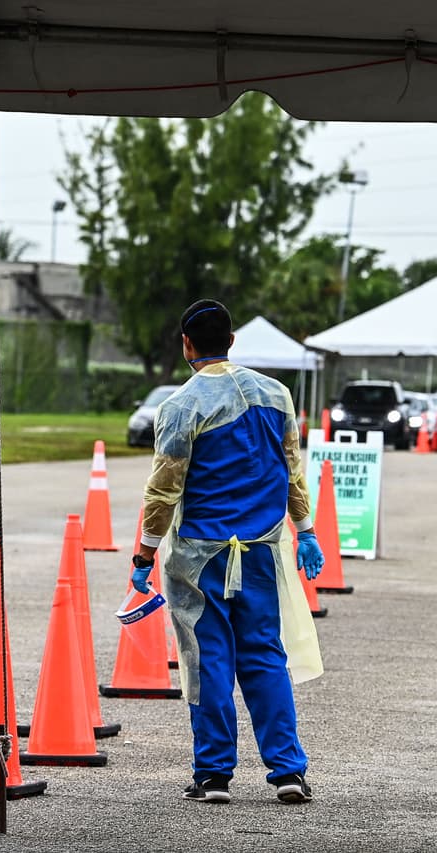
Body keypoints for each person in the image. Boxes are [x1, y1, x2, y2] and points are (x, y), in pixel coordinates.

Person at [131, 298, 325, 805]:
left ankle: (214, 774)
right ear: (233, 341)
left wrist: (144, 555)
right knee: (265, 657)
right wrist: (305, 531)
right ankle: (288, 770)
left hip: (199, 558)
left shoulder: (180, 406)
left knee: (208, 659)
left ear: (186, 344)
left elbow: (164, 489)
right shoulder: (276, 395)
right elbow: (292, 470)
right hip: (261, 551)